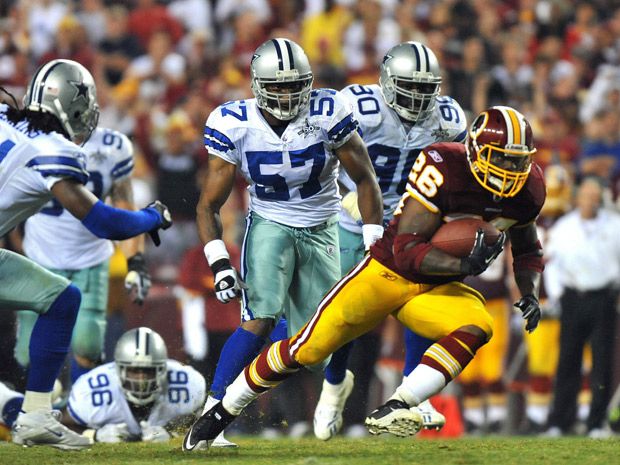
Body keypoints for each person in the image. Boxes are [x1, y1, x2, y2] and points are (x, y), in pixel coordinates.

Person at [182, 105, 546, 450]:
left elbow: (528, 247)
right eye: (501, 157)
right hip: (388, 272)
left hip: (438, 287)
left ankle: (401, 403)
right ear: (475, 151)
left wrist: (529, 290)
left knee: (477, 325)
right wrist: (465, 266)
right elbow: (407, 250)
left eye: (518, 160)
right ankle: (223, 410)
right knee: (307, 348)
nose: (510, 168)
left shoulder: (529, 189)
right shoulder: (444, 165)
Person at [189, 37, 382, 447]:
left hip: (322, 225)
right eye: (276, 86)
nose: (286, 93)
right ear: (258, 85)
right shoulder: (233, 123)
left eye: (295, 85)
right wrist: (220, 262)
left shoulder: (329, 111)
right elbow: (209, 205)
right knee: (256, 317)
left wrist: (373, 237)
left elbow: (365, 179)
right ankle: (214, 414)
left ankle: (296, 341)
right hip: (269, 223)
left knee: (318, 349)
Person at [0, 58, 171, 450]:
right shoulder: (53, 149)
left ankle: (36, 417)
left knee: (62, 298)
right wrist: (150, 216)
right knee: (63, 301)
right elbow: (104, 223)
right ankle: (29, 414)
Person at [313, 41, 468, 440]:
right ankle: (333, 385)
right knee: (348, 314)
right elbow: (314, 157)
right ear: (385, 81)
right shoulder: (358, 106)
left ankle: (417, 391)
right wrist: (343, 197)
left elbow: (455, 175)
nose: (417, 97)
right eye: (408, 86)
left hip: (411, 218)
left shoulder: (448, 116)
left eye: (424, 88)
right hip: (351, 217)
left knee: (422, 299)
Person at [14, 126, 150, 385]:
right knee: (28, 354)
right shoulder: (29, 138)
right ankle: (35, 414)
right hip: (38, 258)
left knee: (87, 345)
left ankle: (82, 415)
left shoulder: (112, 146)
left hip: (90, 259)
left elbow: (125, 207)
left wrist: (136, 261)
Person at [543, 176, 620, 438]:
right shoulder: (564, 228)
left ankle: (596, 423)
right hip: (573, 298)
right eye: (586, 194)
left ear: (602, 197)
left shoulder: (615, 226)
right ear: (577, 197)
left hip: (604, 298)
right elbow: (551, 265)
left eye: (595, 194)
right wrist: (556, 296)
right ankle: (559, 422)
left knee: (601, 362)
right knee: (567, 361)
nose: (590, 199)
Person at [62, 327, 205, 442]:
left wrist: (172, 434)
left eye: (148, 371)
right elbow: (62, 424)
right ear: (118, 369)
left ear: (162, 370)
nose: (141, 377)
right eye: (134, 370)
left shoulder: (186, 383)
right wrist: (94, 435)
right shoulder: (93, 388)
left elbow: (206, 421)